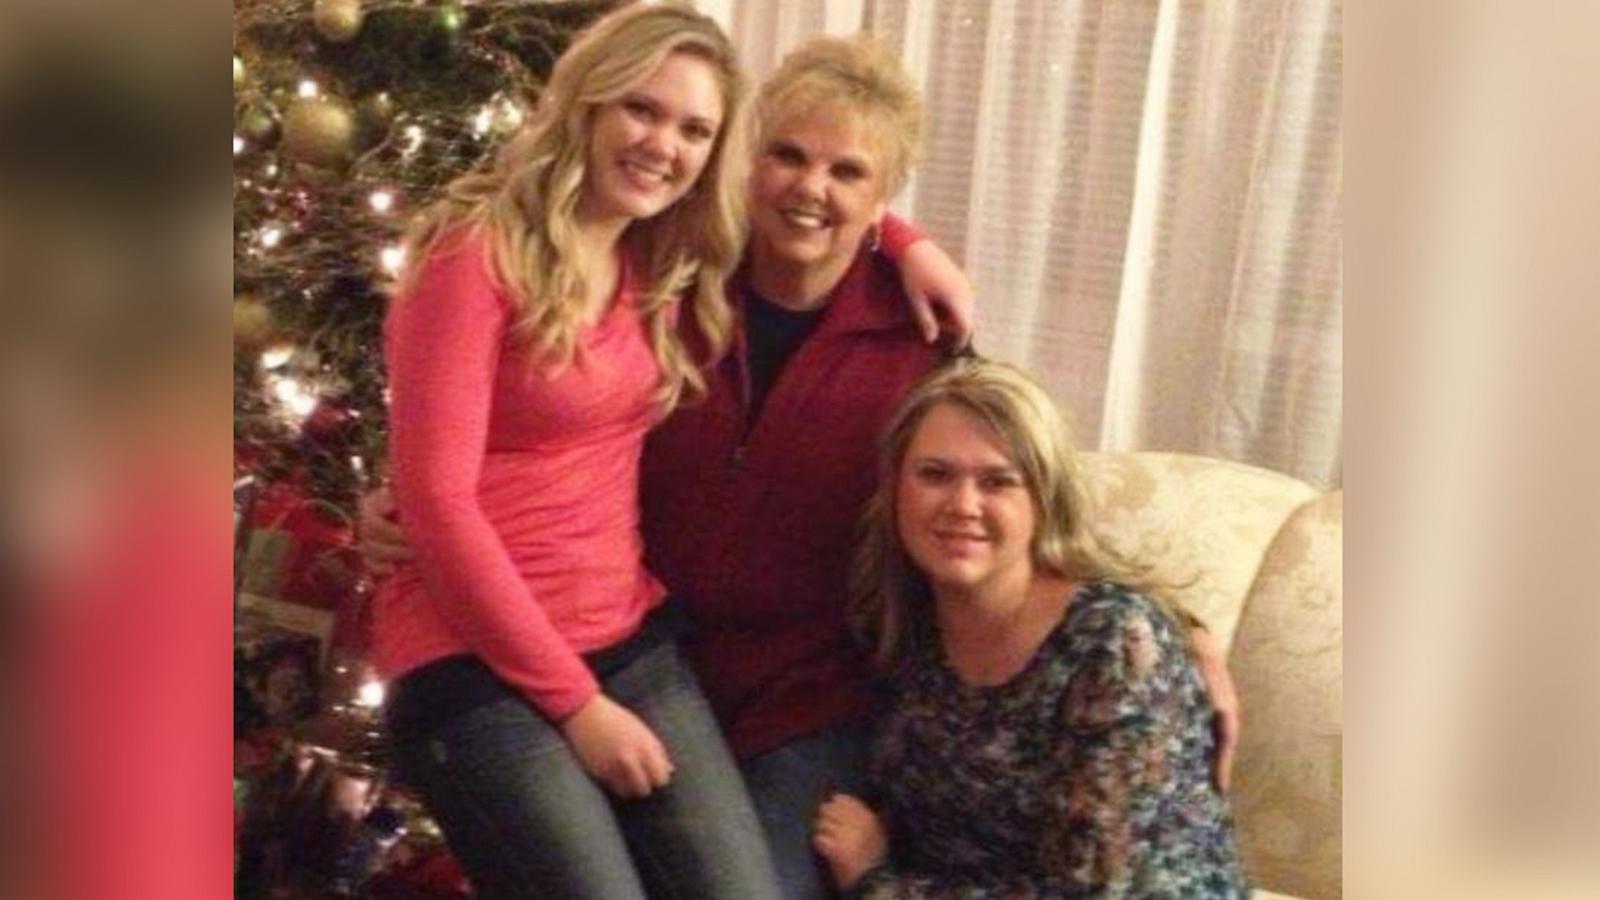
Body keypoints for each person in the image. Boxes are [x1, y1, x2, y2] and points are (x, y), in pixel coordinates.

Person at [362, 32, 1238, 900]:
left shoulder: (920, 341)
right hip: (642, 650)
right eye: (785, 155)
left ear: (883, 193)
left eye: (850, 174)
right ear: (747, 162)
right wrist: (419, 505)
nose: (811, 188)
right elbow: (485, 447)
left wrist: (1177, 628)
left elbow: (1013, 491)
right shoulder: (682, 269)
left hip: (796, 697)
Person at [374, 4, 782, 898]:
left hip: (624, 636)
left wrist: (901, 245)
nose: (662, 144)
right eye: (642, 108)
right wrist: (576, 706)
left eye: (694, 129)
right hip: (469, 656)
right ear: (588, 105)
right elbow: (436, 503)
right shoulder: (474, 252)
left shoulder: (666, 257)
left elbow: (823, 218)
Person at [813, 357, 1249, 898]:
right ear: (895, 487)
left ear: (1043, 501)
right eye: (935, 474)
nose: (962, 505)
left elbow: (1098, 892)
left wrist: (875, 880)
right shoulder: (902, 620)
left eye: (998, 481)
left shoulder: (1111, 642)